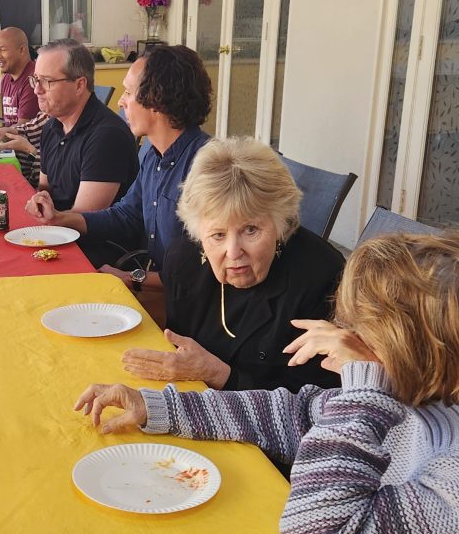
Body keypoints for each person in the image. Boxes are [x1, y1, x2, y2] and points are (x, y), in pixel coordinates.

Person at [75, 230, 459, 534]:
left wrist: (363, 387)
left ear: (409, 345)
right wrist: (158, 408)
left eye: (358, 331)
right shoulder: (429, 391)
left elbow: (318, 525)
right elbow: (294, 415)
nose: (343, 336)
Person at [121, 137, 344, 392]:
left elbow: (318, 399)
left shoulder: (322, 277)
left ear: (281, 223)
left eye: (250, 229)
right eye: (218, 235)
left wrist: (219, 374)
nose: (233, 252)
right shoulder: (183, 262)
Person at [27, 44, 213, 285]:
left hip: (183, 308)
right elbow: (127, 215)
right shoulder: (155, 156)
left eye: (128, 92)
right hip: (163, 290)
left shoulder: (206, 168)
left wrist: (134, 278)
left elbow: (206, 270)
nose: (121, 103)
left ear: (156, 99)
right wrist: (60, 218)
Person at [23, 39, 137, 216]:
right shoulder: (52, 126)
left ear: (79, 85)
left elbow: (86, 221)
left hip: (91, 241)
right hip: (57, 231)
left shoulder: (107, 136)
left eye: (46, 81)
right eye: (35, 80)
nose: (37, 90)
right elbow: (44, 192)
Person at [0, 27, 38, 127]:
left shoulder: (33, 79)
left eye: (3, 50)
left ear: (22, 50)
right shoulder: (6, 79)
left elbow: (23, 127)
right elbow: (6, 123)